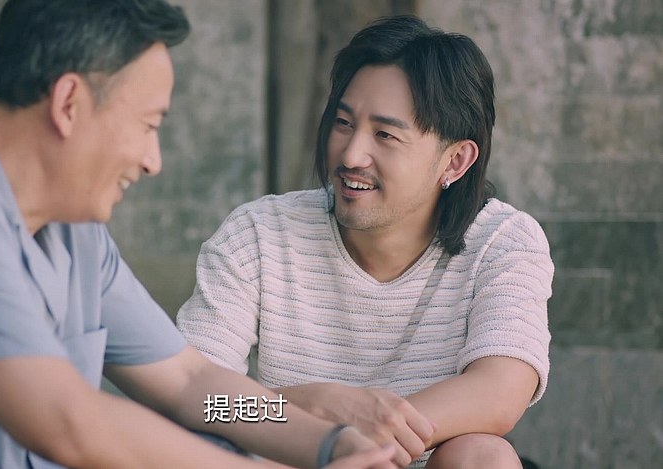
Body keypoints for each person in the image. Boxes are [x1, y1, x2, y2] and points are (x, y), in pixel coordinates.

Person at [0, 1, 401, 468]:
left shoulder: (75, 233)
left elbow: (192, 384)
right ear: (69, 104)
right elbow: (69, 423)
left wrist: (327, 443)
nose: (153, 161)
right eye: (148, 125)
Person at [177, 15, 553, 469]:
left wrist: (367, 432)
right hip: (301, 460)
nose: (351, 155)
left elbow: (500, 393)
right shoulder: (257, 235)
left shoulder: (501, 242)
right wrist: (311, 410)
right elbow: (197, 399)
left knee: (483, 456)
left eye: (385, 135)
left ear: (455, 161)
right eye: (343, 123)